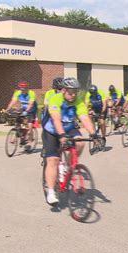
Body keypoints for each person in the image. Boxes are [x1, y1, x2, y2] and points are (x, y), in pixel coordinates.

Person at [42, 77, 99, 205]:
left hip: (69, 129)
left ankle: (68, 166)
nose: (73, 95)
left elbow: (84, 118)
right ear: (63, 90)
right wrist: (61, 135)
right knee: (53, 160)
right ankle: (51, 191)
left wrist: (94, 134)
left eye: (75, 91)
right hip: (52, 131)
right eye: (70, 92)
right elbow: (56, 120)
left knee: (80, 142)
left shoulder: (78, 101)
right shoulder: (56, 99)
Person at [5, 81, 37, 148]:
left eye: (24, 88)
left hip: (31, 110)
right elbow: (13, 102)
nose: (23, 90)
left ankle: (30, 141)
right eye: (21, 88)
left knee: (29, 126)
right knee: (17, 122)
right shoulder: (17, 93)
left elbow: (31, 104)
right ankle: (18, 136)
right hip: (23, 109)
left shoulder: (31, 93)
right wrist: (7, 109)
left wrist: (27, 111)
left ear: (27, 88)